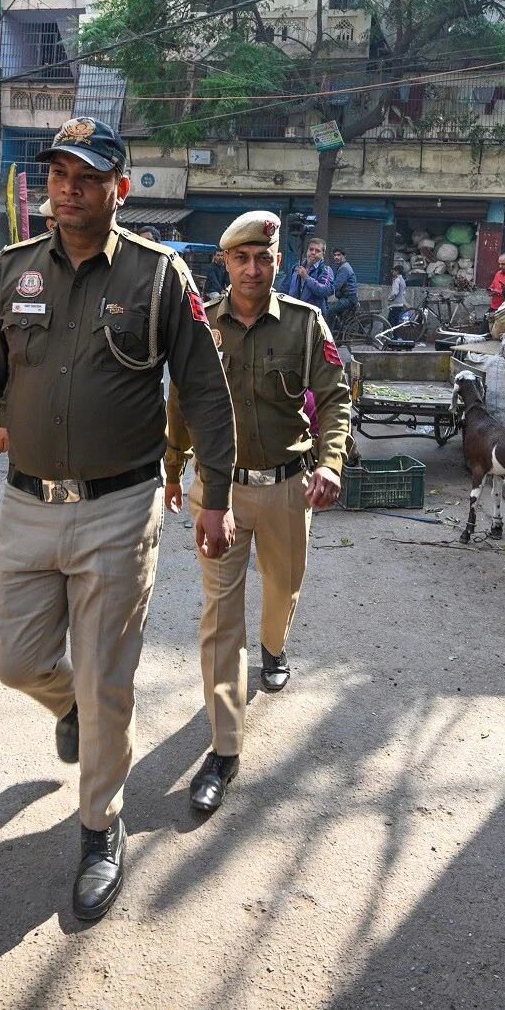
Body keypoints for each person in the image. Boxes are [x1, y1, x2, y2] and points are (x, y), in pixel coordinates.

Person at [0, 116, 236, 921]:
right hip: (28, 504)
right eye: (58, 174)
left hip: (119, 506)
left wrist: (218, 493)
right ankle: (65, 704)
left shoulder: (159, 276)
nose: (67, 189)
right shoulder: (7, 273)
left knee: (108, 680)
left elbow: (204, 391)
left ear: (120, 189)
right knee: (13, 657)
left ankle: (100, 826)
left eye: (87, 176)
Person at [163, 210, 352, 815]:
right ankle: (224, 749)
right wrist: (174, 467)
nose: (252, 269)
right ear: (225, 263)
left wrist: (330, 463)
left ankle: (275, 648)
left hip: (286, 489)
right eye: (241, 258)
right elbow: (181, 401)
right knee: (220, 617)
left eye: (262, 258)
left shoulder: (304, 324)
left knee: (282, 588)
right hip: (217, 492)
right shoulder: (201, 328)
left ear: (276, 262)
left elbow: (336, 395)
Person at [323, 247, 359, 333]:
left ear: (344, 256)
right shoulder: (341, 266)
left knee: (330, 311)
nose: (336, 257)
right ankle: (340, 333)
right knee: (334, 313)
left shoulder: (344, 268)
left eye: (339, 255)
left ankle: (329, 336)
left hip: (349, 298)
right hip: (346, 297)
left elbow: (337, 285)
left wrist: (325, 293)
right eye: (335, 255)